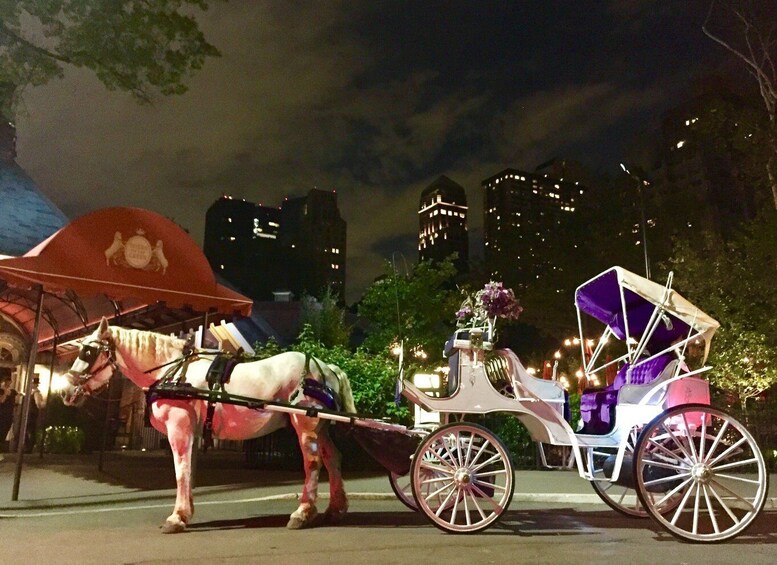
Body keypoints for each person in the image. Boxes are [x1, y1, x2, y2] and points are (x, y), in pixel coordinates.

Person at [24, 377, 44, 452]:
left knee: (30, 431)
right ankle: (28, 447)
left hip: (32, 413)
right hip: (31, 413)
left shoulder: (36, 393)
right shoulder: (33, 392)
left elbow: (39, 404)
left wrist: (44, 403)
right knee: (29, 430)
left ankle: (29, 448)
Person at [0, 376, 18, 453]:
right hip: (1, 414)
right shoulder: (1, 391)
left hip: (9, 414)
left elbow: (16, 401)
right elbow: (1, 401)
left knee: (5, 431)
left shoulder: (13, 392)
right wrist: (5, 393)